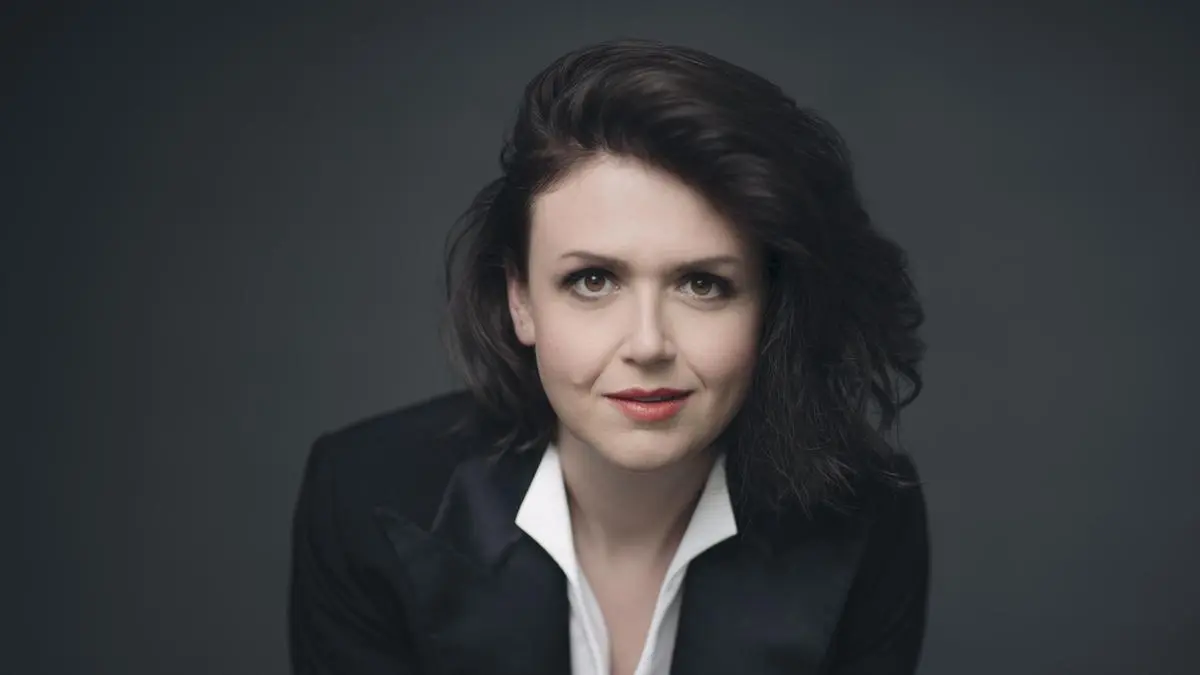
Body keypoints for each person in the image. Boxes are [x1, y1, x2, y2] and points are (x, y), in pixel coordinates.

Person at [288, 38, 929, 675]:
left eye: (702, 284)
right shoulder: (365, 495)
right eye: (592, 280)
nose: (648, 345)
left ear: (769, 307)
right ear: (521, 300)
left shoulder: (868, 516)